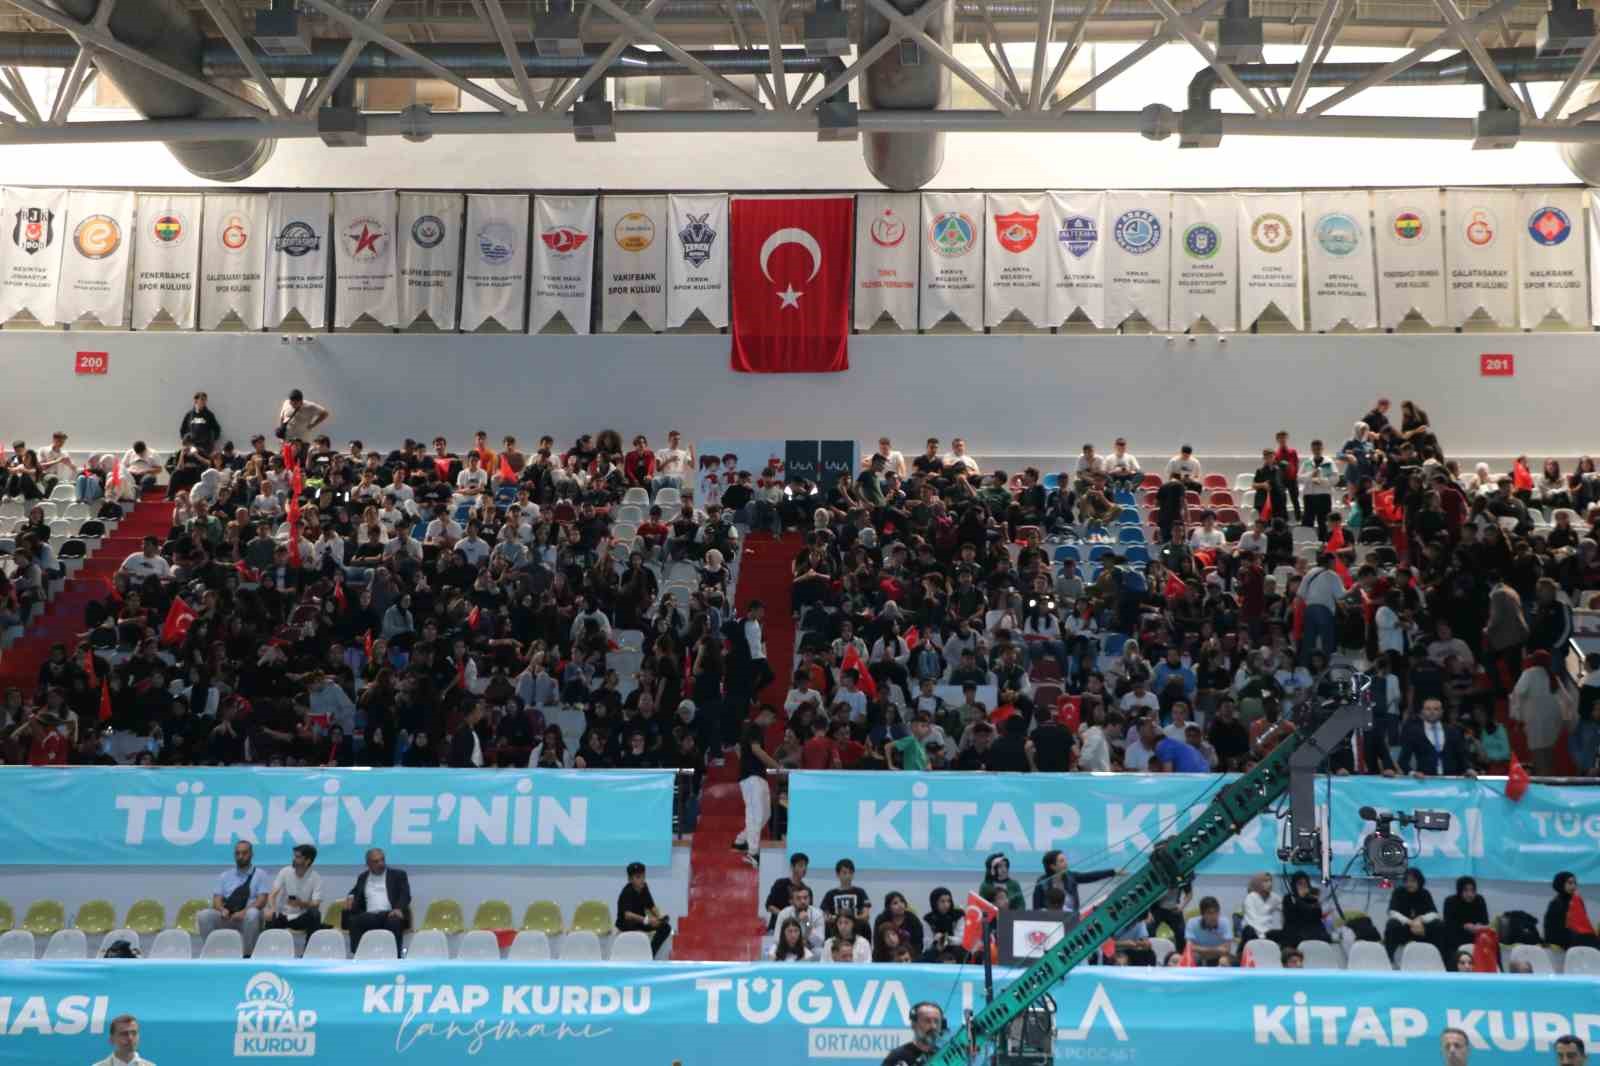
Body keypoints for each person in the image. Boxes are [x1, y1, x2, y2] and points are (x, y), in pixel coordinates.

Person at [195, 840, 272, 956]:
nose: (240, 856)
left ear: (251, 854)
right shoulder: (225, 875)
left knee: (253, 913)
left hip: (247, 918)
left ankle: (248, 955)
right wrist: (222, 910)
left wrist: (243, 912)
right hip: (227, 917)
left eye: (244, 853)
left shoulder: (260, 874)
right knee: (204, 915)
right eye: (237, 853)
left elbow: (262, 900)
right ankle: (213, 952)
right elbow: (216, 899)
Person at [342, 847, 411, 953]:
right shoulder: (363, 877)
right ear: (368, 864)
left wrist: (398, 908)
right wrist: (350, 897)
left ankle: (395, 956)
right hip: (370, 915)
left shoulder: (398, 875)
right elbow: (355, 891)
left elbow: (405, 895)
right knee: (355, 921)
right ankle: (358, 955)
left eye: (382, 860)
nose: (381, 864)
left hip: (390, 914)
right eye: (376, 861)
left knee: (394, 922)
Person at [732, 722, 780, 867]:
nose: (772, 721)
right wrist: (778, 767)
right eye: (772, 718)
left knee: (765, 814)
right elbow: (756, 750)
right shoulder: (754, 728)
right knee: (756, 815)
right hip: (752, 778)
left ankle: (740, 841)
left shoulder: (747, 734)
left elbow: (739, 749)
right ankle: (752, 853)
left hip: (758, 776)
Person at [1398, 698, 1472, 777]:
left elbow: (1462, 756)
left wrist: (1469, 769)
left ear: (1442, 712)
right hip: (1425, 780)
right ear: (1422, 712)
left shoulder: (1452, 731)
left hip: (1451, 780)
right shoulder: (1413, 732)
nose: (1432, 712)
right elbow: (1403, 761)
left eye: (1436, 709)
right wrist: (1413, 773)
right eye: (1428, 709)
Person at [263, 844, 324, 939]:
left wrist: (301, 903)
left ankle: (309, 947)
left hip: (300, 917)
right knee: (269, 914)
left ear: (307, 861)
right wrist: (272, 908)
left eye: (298, 857)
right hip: (282, 915)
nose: (294, 859)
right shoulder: (285, 871)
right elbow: (272, 894)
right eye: (294, 856)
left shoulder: (316, 877)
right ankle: (270, 947)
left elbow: (316, 903)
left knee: (315, 914)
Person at [1383, 868, 1445, 959]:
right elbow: (1392, 912)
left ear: (1419, 882)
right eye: (1407, 881)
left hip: (1421, 929)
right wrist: (1410, 922)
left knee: (1438, 925)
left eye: (1413, 881)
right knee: (1392, 924)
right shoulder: (1398, 892)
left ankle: (1440, 959)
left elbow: (1434, 914)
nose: (1409, 884)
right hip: (1405, 929)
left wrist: (1421, 919)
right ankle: (1388, 959)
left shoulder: (1425, 893)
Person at [1032, 849, 1116, 915]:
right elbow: (1036, 909)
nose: (1066, 863)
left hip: (1072, 919)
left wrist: (1112, 872)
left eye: (1065, 860)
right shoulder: (1041, 883)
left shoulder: (1071, 876)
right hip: (1051, 922)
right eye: (1061, 861)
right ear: (1052, 866)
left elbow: (1090, 876)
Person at [616, 861, 673, 958]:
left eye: (643, 876)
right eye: (638, 877)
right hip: (627, 924)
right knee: (638, 933)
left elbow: (651, 906)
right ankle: (646, 955)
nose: (642, 880)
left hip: (641, 922)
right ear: (630, 879)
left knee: (666, 927)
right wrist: (647, 920)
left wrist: (659, 918)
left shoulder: (644, 887)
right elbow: (627, 915)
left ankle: (650, 954)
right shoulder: (627, 892)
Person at [1441, 876, 1491, 967]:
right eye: (1466, 890)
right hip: (1457, 935)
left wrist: (1479, 926)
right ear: (1459, 891)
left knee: (1490, 939)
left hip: (1476, 935)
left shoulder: (1480, 900)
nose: (1469, 894)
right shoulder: (1450, 901)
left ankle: (1495, 969)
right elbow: (1448, 924)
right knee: (1448, 939)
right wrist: (1464, 926)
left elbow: (1485, 922)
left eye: (1472, 890)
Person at [1544, 871, 1600, 951]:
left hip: (1580, 936)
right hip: (1564, 939)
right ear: (1561, 884)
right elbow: (1551, 929)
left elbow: (1583, 922)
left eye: (1575, 883)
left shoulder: (1577, 899)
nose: (1573, 886)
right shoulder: (1556, 903)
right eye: (1570, 883)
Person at [881, 1002, 946, 1066]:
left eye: (937, 1021)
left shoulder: (945, 1054)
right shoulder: (897, 1057)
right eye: (927, 1021)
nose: (933, 1026)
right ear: (914, 1024)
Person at [765, 852, 811, 930]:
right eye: (801, 865)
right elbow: (769, 906)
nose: (804, 869)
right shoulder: (780, 884)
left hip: (797, 931)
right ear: (792, 867)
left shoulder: (807, 890)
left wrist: (808, 924)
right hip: (777, 928)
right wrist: (785, 916)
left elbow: (808, 918)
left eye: (806, 866)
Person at [1282, 872, 1329, 944]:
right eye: (1300, 884)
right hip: (1295, 932)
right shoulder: (1288, 898)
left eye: (1305, 883)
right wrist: (1300, 898)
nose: (1303, 886)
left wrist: (1313, 900)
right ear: (1294, 885)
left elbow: (1317, 917)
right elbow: (1291, 918)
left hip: (1312, 932)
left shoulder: (1312, 898)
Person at [1239, 872, 1283, 944]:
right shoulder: (1250, 897)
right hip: (1252, 932)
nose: (1269, 884)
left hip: (1267, 932)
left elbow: (1286, 908)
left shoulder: (1274, 897)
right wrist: (1263, 936)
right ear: (1258, 883)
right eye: (1266, 881)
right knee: (1249, 931)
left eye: (1270, 881)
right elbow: (1252, 920)